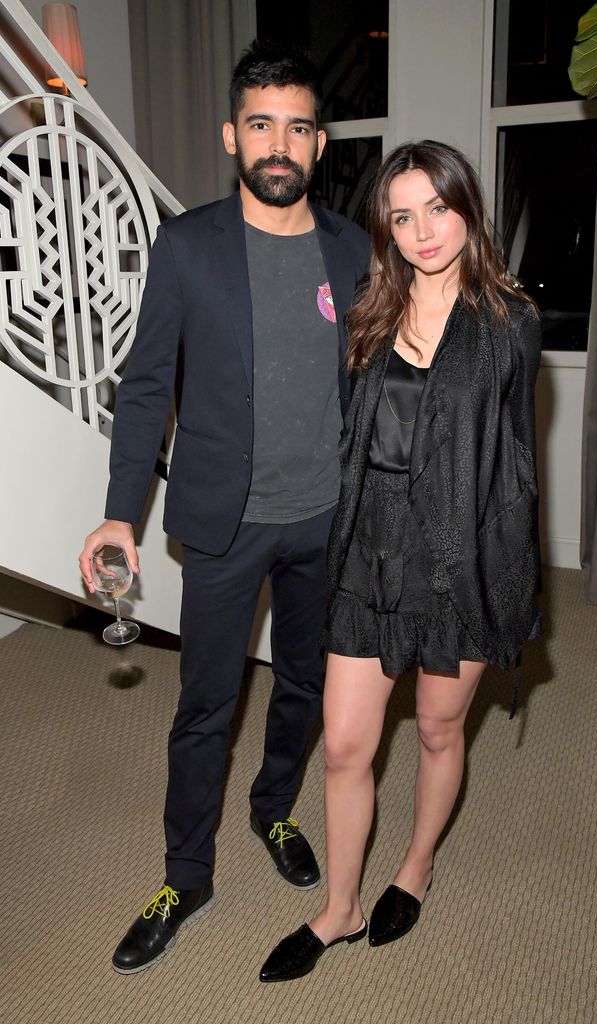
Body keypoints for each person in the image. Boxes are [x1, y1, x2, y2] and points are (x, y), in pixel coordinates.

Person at [78, 39, 369, 975]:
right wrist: (121, 511)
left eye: (295, 126)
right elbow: (147, 381)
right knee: (206, 703)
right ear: (231, 137)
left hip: (325, 518)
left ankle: (273, 810)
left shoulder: (352, 249)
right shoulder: (188, 244)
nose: (278, 144)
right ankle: (186, 873)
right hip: (222, 522)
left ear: (319, 142)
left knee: (302, 685)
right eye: (260, 125)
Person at [259, 140, 542, 982]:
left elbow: (516, 465)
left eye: (438, 209)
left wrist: (509, 585)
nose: (423, 231)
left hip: (457, 554)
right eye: (403, 215)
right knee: (345, 745)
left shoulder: (509, 322)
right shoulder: (367, 310)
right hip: (371, 550)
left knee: (438, 726)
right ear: (386, 225)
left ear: (467, 209)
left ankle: (415, 865)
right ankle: (339, 907)